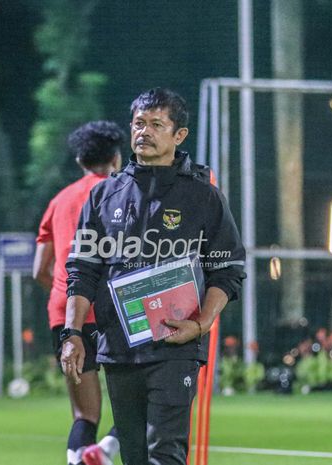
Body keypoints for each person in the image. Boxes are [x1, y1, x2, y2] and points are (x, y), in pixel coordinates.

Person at [61, 88, 246, 465]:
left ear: (179, 135)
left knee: (165, 451)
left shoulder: (203, 196)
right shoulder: (103, 196)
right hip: (118, 348)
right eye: (138, 124)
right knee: (133, 456)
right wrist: (73, 333)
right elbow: (82, 271)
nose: (144, 132)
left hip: (176, 346)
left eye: (156, 124)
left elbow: (227, 269)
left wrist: (201, 323)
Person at [34, 120, 125, 465]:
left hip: (67, 315)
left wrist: (71, 297)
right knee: (146, 399)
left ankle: (79, 459)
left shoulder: (60, 200)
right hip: (114, 311)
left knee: (84, 414)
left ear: (80, 161)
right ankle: (104, 451)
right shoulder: (122, 193)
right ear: (116, 157)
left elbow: (39, 270)